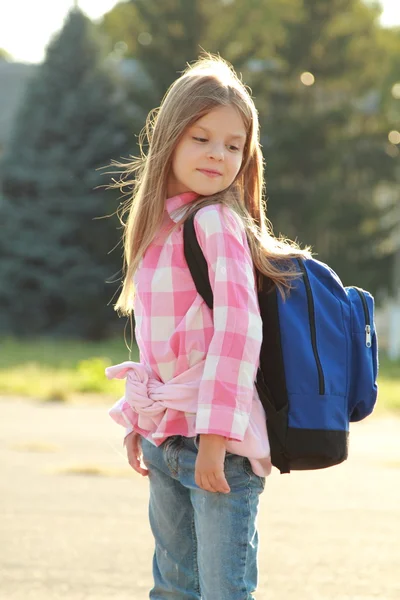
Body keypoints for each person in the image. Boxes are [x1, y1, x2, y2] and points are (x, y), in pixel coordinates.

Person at [106, 53, 310, 600]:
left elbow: (239, 333)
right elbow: (158, 344)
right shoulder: (158, 226)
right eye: (202, 138)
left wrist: (216, 439)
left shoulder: (217, 222)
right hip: (166, 437)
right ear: (170, 136)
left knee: (223, 590)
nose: (219, 154)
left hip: (219, 442)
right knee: (172, 588)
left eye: (233, 144)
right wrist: (138, 420)